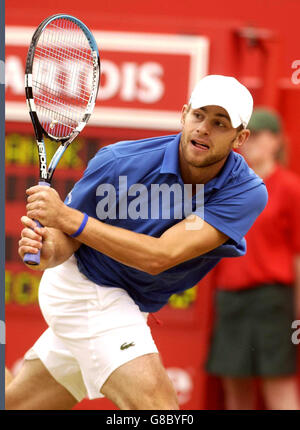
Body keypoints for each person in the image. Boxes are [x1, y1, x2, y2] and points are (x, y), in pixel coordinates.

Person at [6, 75, 268, 410]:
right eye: (199, 115)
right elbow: (62, 243)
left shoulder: (245, 191)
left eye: (220, 123)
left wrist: (68, 219)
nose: (204, 128)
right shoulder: (119, 162)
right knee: (158, 408)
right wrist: (45, 249)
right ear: (184, 114)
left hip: (128, 302)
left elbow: (161, 256)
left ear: (240, 138)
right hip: (84, 286)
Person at [205, 108, 300, 410]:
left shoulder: (290, 189)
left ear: (276, 141)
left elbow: (298, 255)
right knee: (236, 387)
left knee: (279, 385)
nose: (251, 143)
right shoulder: (229, 186)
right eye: (248, 137)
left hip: (272, 302)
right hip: (231, 299)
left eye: (259, 136)